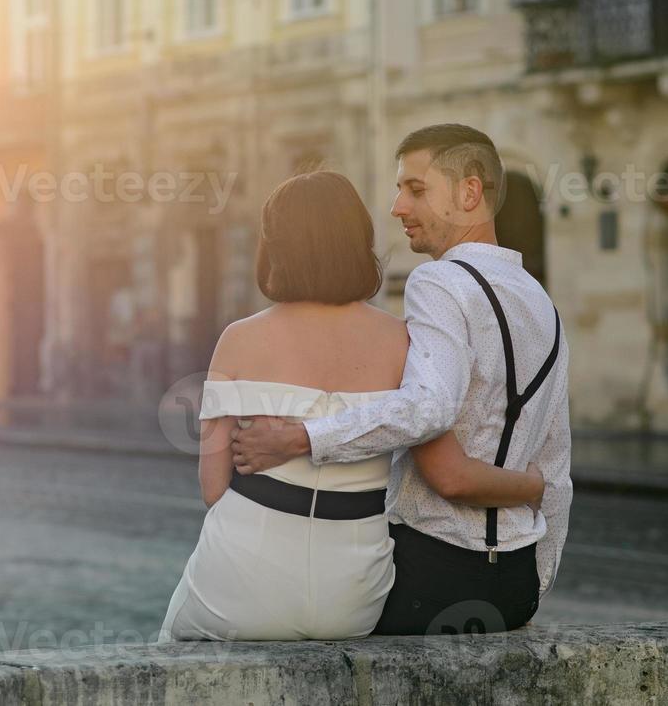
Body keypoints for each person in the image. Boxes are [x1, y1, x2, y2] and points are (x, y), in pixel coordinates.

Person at [158, 169, 545, 641]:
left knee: (173, 648)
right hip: (355, 595)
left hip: (241, 581)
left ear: (275, 246)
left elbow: (213, 488)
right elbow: (442, 466)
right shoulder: (403, 340)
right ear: (359, 241)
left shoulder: (237, 340)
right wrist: (531, 485)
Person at [230, 124, 572, 636]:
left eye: (415, 189)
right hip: (515, 582)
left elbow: (429, 408)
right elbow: (556, 464)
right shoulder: (540, 300)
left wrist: (302, 437)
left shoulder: (438, 281)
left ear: (469, 192)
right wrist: (535, 584)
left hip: (432, 574)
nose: (397, 207)